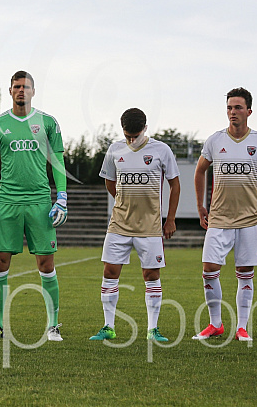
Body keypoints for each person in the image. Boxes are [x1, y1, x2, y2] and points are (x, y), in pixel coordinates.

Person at [0, 71, 67, 342]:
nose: (21, 91)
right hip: (7, 202)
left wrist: (61, 195)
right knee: (0, 263)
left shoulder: (48, 122)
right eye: (17, 86)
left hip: (40, 202)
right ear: (10, 90)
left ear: (33, 91)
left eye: (26, 87)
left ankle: (53, 326)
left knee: (46, 264)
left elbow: (58, 160)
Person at [193, 88, 257, 342]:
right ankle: (216, 324)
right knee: (209, 270)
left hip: (250, 219)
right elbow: (200, 171)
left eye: (238, 108)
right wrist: (200, 205)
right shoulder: (215, 140)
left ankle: (242, 327)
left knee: (245, 272)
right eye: (230, 108)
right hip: (219, 218)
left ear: (249, 111)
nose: (233, 112)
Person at [90, 108, 180, 342]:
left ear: (145, 128)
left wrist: (170, 219)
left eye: (136, 135)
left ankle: (153, 329)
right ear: (123, 131)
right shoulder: (114, 149)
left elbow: (175, 184)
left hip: (150, 226)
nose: (131, 139)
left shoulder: (161, 150)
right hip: (119, 224)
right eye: (128, 135)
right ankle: (108, 326)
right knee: (109, 272)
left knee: (151, 275)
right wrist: (123, 200)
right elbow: (110, 182)